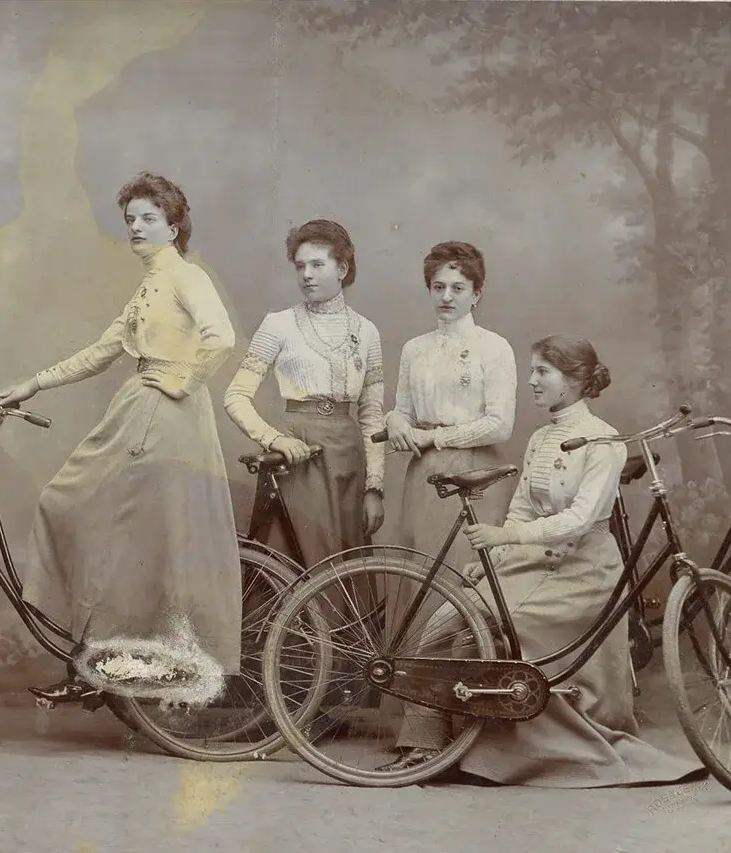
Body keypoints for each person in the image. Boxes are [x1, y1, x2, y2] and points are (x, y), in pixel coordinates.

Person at [379, 335, 705, 787]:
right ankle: (425, 745)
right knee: (447, 616)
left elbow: (577, 520)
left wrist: (506, 536)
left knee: (496, 623)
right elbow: (523, 509)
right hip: (535, 559)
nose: (531, 380)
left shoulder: (604, 441)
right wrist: (496, 556)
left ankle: (485, 753)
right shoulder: (540, 438)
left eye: (541, 372)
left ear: (572, 381)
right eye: (532, 371)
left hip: (585, 572)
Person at [0, 171, 241, 705]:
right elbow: (100, 351)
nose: (136, 228)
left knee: (123, 534)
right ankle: (98, 661)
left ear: (174, 227)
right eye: (130, 219)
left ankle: (108, 665)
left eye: (149, 219)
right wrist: (31, 386)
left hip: (164, 418)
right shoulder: (149, 286)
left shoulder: (185, 276)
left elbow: (221, 337)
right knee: (105, 530)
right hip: (139, 409)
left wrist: (183, 380)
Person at [223, 219, 386, 568]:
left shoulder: (368, 332)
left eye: (317, 264)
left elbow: (372, 415)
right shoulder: (279, 324)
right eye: (300, 266)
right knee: (295, 561)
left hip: (348, 460)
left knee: (345, 569)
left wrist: (374, 487)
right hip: (299, 455)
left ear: (342, 268)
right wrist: (273, 439)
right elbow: (235, 396)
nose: (306, 275)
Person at [384, 242, 517, 571]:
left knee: (461, 568)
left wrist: (434, 439)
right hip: (423, 474)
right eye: (438, 287)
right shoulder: (414, 349)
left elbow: (500, 424)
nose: (446, 297)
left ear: (476, 294)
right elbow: (404, 410)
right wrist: (394, 421)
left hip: (475, 474)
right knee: (419, 567)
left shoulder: (494, 347)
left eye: (458, 288)